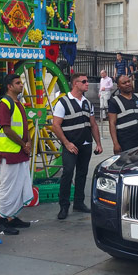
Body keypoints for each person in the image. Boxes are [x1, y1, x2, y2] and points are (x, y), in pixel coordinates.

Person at [52, 73, 103, 219]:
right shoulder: (63, 102)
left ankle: (79, 203)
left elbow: (93, 124)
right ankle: (64, 206)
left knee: (82, 174)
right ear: (75, 84)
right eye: (85, 81)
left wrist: (98, 143)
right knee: (67, 173)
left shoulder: (87, 103)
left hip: (86, 144)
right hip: (71, 145)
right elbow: (56, 125)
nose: (87, 84)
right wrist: (66, 143)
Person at [0, 73, 33, 235]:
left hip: (20, 151)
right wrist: (24, 144)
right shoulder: (4, 104)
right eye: (18, 83)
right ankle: (2, 221)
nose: (21, 85)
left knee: (19, 185)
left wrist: (28, 142)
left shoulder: (18, 104)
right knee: (8, 187)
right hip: (9, 152)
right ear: (9, 86)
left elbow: (24, 125)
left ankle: (12, 217)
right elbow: (6, 129)